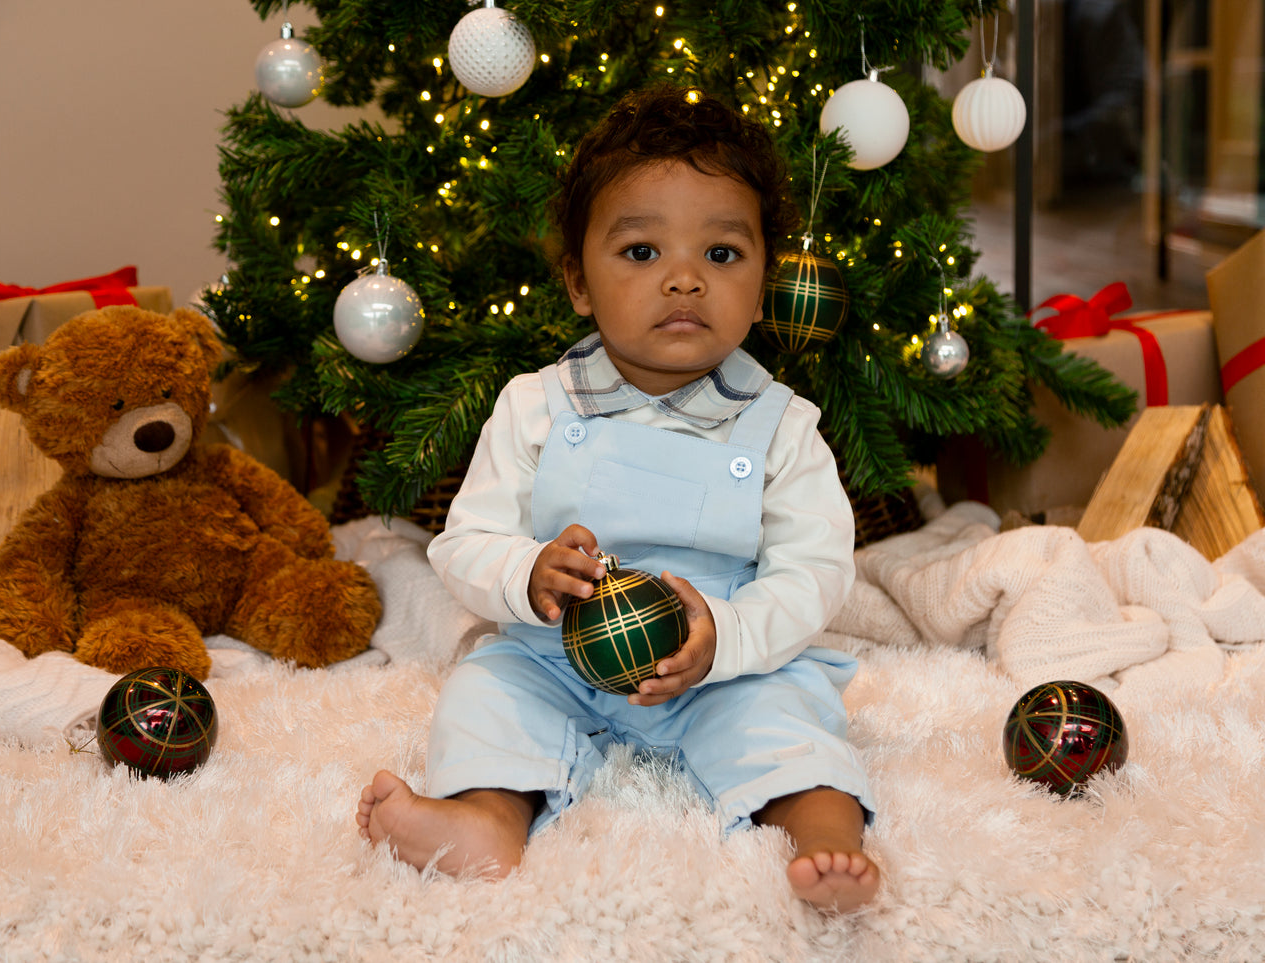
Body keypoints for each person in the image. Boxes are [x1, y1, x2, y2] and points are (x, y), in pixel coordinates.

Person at [356, 85, 880, 913]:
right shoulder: (535, 403)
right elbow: (464, 541)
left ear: (763, 278)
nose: (683, 280)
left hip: (719, 661)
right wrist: (528, 571)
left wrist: (727, 637)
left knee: (789, 720)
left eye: (721, 254)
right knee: (485, 693)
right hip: (555, 656)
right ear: (576, 281)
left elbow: (814, 571)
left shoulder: (780, 426)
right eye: (641, 253)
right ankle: (486, 819)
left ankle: (825, 838)